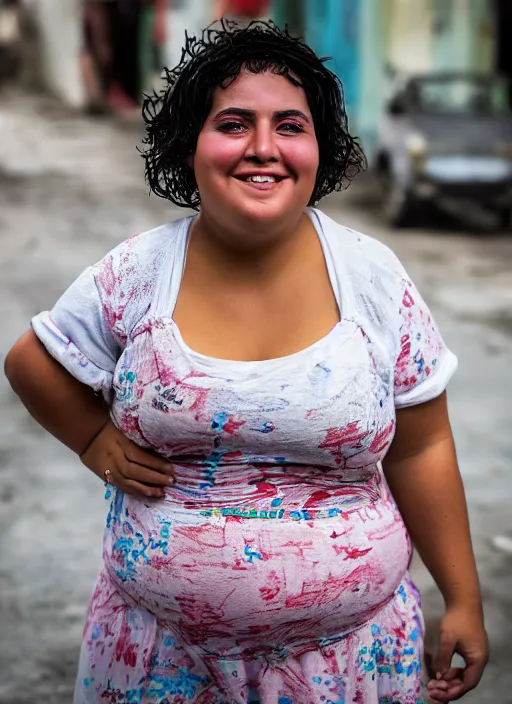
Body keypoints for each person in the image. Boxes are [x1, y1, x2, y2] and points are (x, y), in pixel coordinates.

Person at [4, 21, 488, 704]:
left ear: (319, 146)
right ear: (190, 145)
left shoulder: (372, 278)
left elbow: (423, 445)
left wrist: (463, 597)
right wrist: (93, 439)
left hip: (346, 666)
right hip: (159, 662)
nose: (264, 148)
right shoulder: (140, 272)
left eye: (290, 126)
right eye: (234, 123)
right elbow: (32, 361)